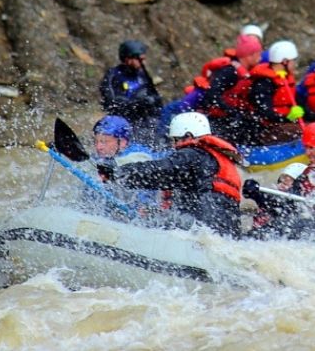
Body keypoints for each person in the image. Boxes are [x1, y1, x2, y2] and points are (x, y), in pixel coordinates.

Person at [97, 112, 243, 238]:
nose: (173, 146)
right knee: (155, 216)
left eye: (175, 140)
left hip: (203, 231)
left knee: (151, 223)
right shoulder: (214, 159)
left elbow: (160, 171)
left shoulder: (193, 155)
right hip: (223, 234)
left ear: (188, 135)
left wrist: (118, 173)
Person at [81, 115, 157, 219]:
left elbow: (127, 163)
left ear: (122, 142)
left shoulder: (139, 155)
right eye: (96, 141)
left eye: (104, 141)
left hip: (138, 218)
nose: (99, 147)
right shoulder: (106, 157)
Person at [199, 34, 263, 144]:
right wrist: (231, 111)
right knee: (241, 124)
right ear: (249, 56)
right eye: (258, 54)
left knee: (252, 123)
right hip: (216, 119)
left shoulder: (246, 73)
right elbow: (212, 94)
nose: (260, 57)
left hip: (230, 117)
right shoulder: (229, 72)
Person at [99, 40, 163, 147]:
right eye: (140, 59)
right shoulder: (113, 75)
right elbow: (110, 104)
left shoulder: (142, 74)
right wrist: (137, 103)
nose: (143, 62)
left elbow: (155, 97)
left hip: (144, 121)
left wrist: (152, 101)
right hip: (124, 121)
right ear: (128, 59)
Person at [248, 40, 304, 145]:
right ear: (285, 62)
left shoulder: (285, 78)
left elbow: (298, 102)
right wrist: (287, 117)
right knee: (301, 132)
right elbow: (265, 113)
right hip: (265, 129)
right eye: (294, 61)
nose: (295, 64)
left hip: (281, 125)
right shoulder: (264, 83)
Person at [242, 162, 307, 240]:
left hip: (280, 238)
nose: (282, 183)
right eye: (282, 179)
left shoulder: (300, 206)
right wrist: (251, 185)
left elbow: (283, 204)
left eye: (288, 181)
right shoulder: (272, 198)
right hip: (260, 237)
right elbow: (251, 194)